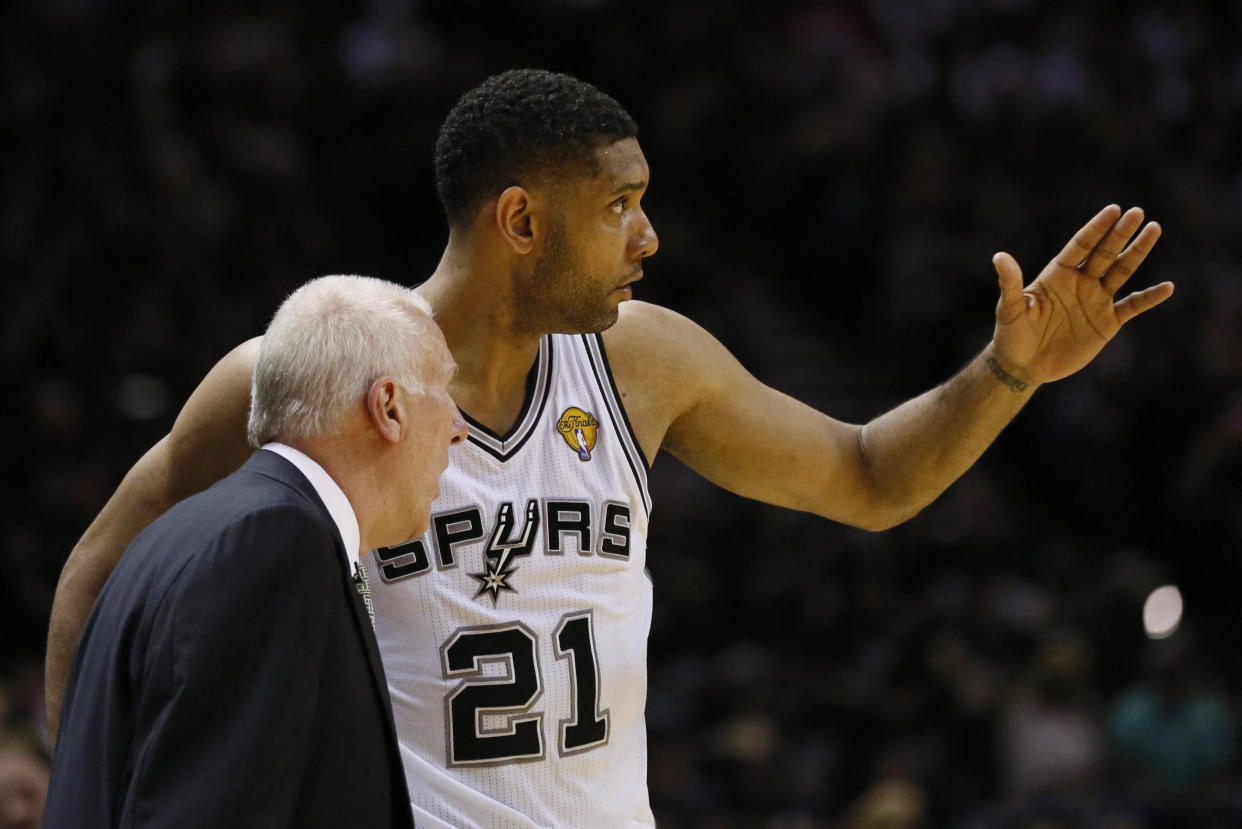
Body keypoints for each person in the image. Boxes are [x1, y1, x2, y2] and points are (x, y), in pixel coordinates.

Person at [45, 70, 1173, 827]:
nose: (650, 236)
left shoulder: (647, 363)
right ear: (523, 220)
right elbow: (107, 570)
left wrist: (1011, 371)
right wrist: (73, 786)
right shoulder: (298, 373)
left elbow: (871, 479)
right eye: (621, 205)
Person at [42, 275, 466, 828]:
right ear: (388, 407)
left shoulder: (187, 532)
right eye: (445, 391)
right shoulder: (274, 546)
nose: (459, 428)